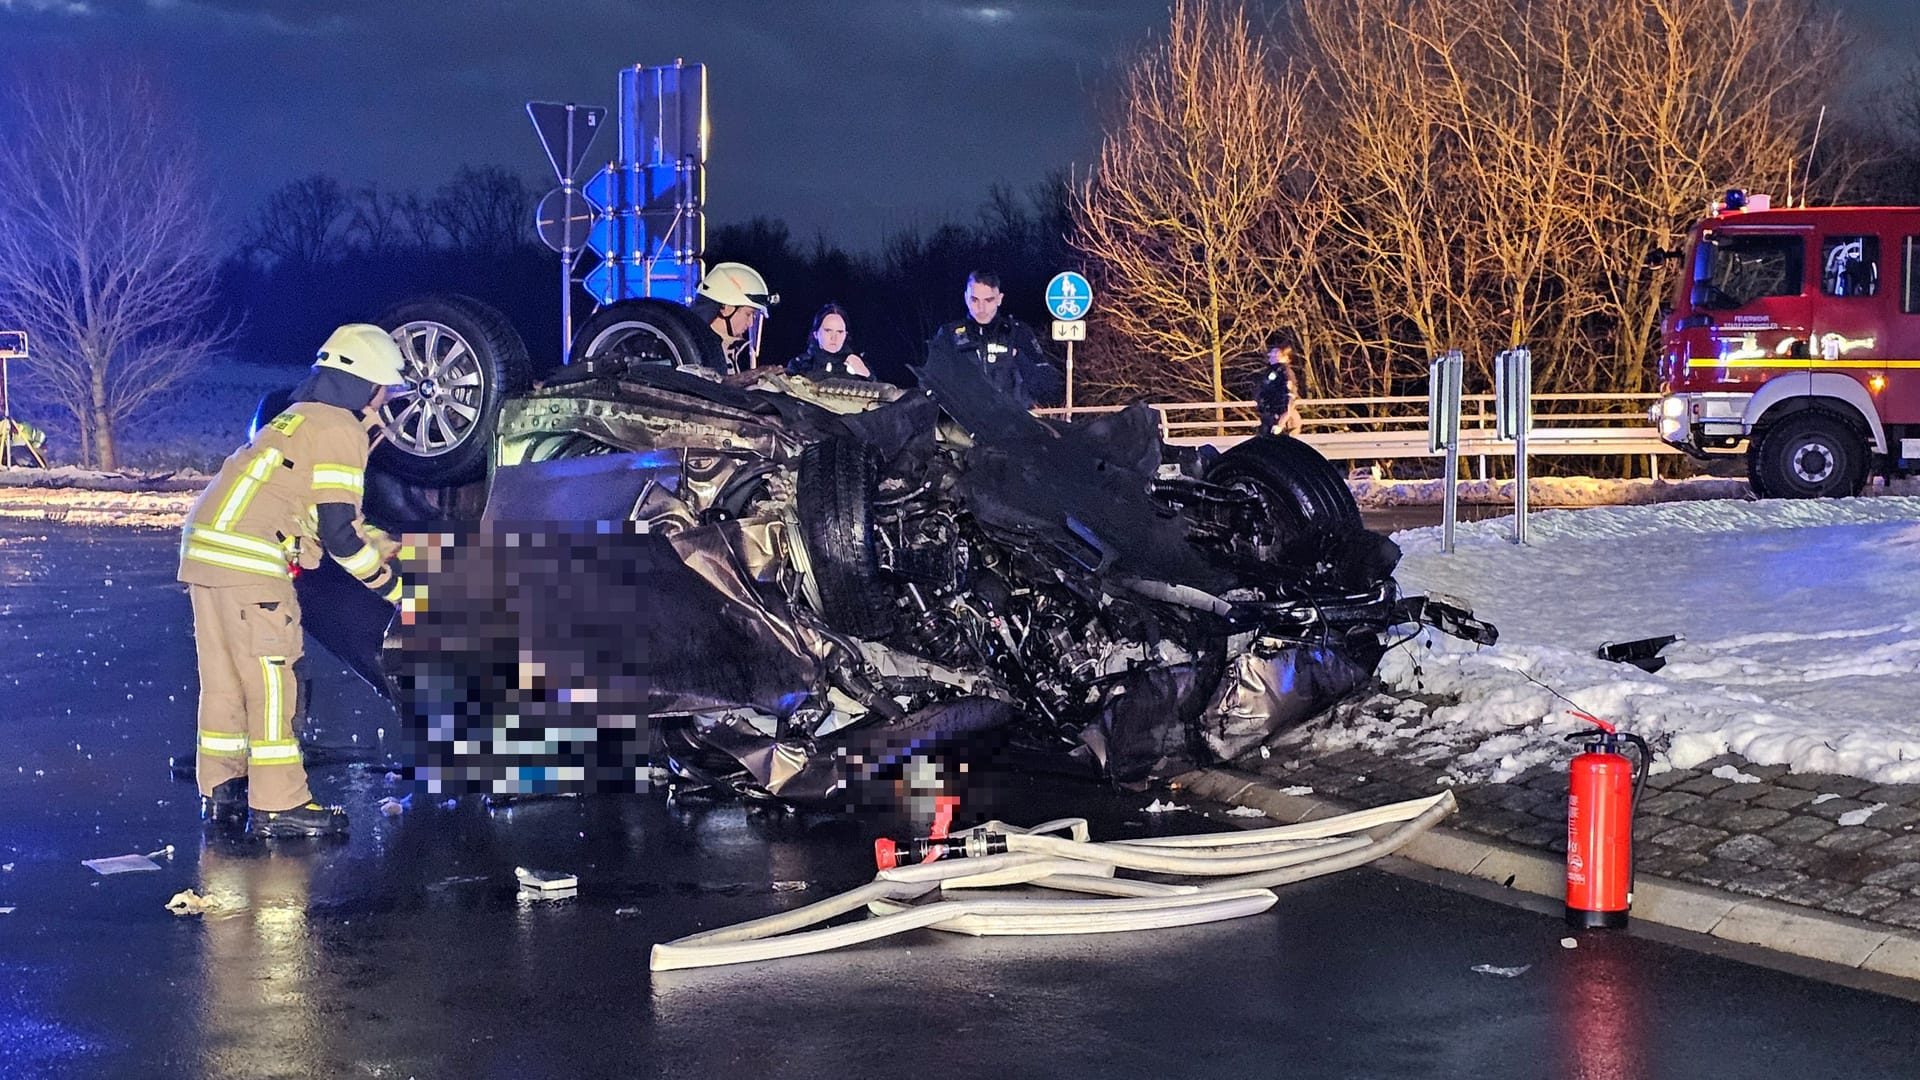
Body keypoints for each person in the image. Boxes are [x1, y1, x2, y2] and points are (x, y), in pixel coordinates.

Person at [178, 324, 411, 838]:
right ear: (367, 385)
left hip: (208, 552)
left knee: (224, 681)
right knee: (270, 684)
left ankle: (223, 790)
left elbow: (310, 510)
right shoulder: (338, 430)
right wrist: (397, 592)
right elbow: (341, 537)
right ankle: (280, 806)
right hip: (250, 563)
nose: (386, 402)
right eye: (386, 390)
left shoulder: (297, 418)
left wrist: (382, 539)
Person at [923, 270, 1064, 408]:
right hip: (966, 423)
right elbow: (928, 384)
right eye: (975, 300)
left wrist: (1020, 359)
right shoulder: (949, 335)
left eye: (988, 300)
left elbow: (1049, 386)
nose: (981, 308)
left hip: (1015, 422)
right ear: (966, 297)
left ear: (999, 299)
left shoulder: (1018, 332)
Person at [687, 261, 777, 373]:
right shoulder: (692, 353)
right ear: (726, 308)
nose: (750, 323)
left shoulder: (736, 353)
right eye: (748, 314)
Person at [786, 303, 872, 379]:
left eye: (839, 332)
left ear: (846, 335)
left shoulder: (858, 365)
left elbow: (881, 392)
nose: (834, 337)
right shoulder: (799, 365)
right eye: (828, 331)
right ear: (816, 334)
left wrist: (868, 375)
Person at [1256, 332, 1304, 437]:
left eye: (1276, 354)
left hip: (1286, 424)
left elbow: (1289, 400)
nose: (1271, 356)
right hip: (1272, 419)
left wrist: (1280, 425)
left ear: (1285, 357)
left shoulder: (1285, 373)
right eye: (1271, 354)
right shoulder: (1272, 372)